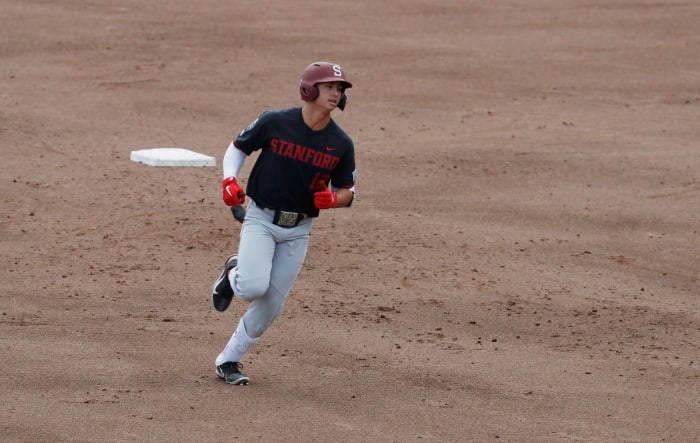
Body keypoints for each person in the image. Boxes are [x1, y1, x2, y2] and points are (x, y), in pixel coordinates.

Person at [211, 61, 356, 385]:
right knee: (251, 287)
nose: (336, 93)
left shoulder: (341, 143)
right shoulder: (276, 121)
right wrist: (229, 180)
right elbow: (237, 148)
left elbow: (347, 191)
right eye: (330, 86)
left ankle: (228, 361)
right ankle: (233, 271)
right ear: (310, 89)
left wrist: (334, 200)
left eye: (340, 89)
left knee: (271, 306)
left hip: (298, 230)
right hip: (261, 218)